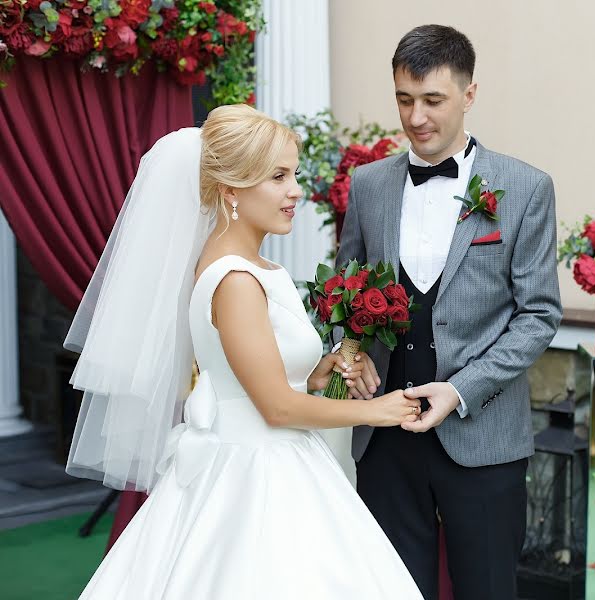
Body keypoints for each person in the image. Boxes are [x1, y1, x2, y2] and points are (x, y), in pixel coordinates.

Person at [65, 104, 424, 599]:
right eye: (277, 177)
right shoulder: (235, 279)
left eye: (293, 174)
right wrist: (381, 411)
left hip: (273, 460)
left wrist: (316, 373)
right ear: (231, 189)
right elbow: (275, 407)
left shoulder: (247, 267)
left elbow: (251, 375)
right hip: (258, 474)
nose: (295, 190)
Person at [336, 24, 562, 599]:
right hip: (383, 439)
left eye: (432, 100)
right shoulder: (367, 185)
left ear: (469, 94)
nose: (416, 117)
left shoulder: (526, 187)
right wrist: (348, 348)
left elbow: (538, 315)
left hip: (482, 439)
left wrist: (460, 390)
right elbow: (344, 293)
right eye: (404, 100)